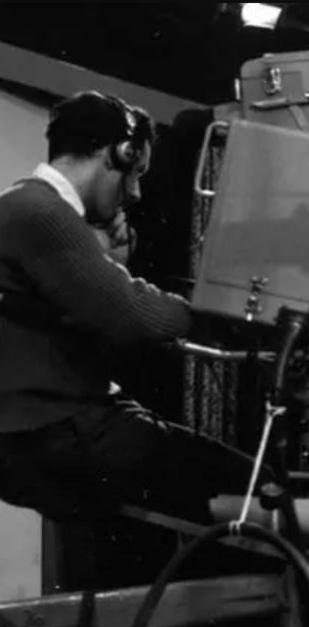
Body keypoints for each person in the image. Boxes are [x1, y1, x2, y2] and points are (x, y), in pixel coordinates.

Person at [0, 90, 271, 524]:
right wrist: (215, 313)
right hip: (51, 430)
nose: (137, 192)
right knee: (257, 481)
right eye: (136, 172)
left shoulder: (32, 210)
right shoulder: (40, 212)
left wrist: (112, 265)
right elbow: (137, 317)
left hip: (47, 427)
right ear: (118, 153)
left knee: (217, 483)